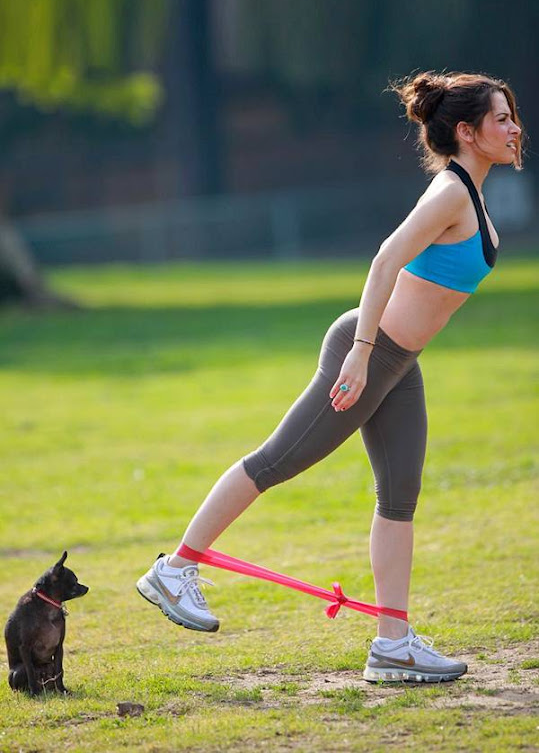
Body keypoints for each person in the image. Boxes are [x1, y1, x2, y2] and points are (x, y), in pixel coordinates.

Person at [137, 71, 523, 683]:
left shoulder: (471, 192)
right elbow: (384, 261)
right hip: (369, 351)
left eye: (511, 115)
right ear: (467, 132)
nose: (513, 127)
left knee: (400, 499)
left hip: (398, 362)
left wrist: (383, 358)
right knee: (277, 461)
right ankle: (176, 569)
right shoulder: (450, 194)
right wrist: (362, 352)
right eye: (500, 118)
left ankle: (393, 644)